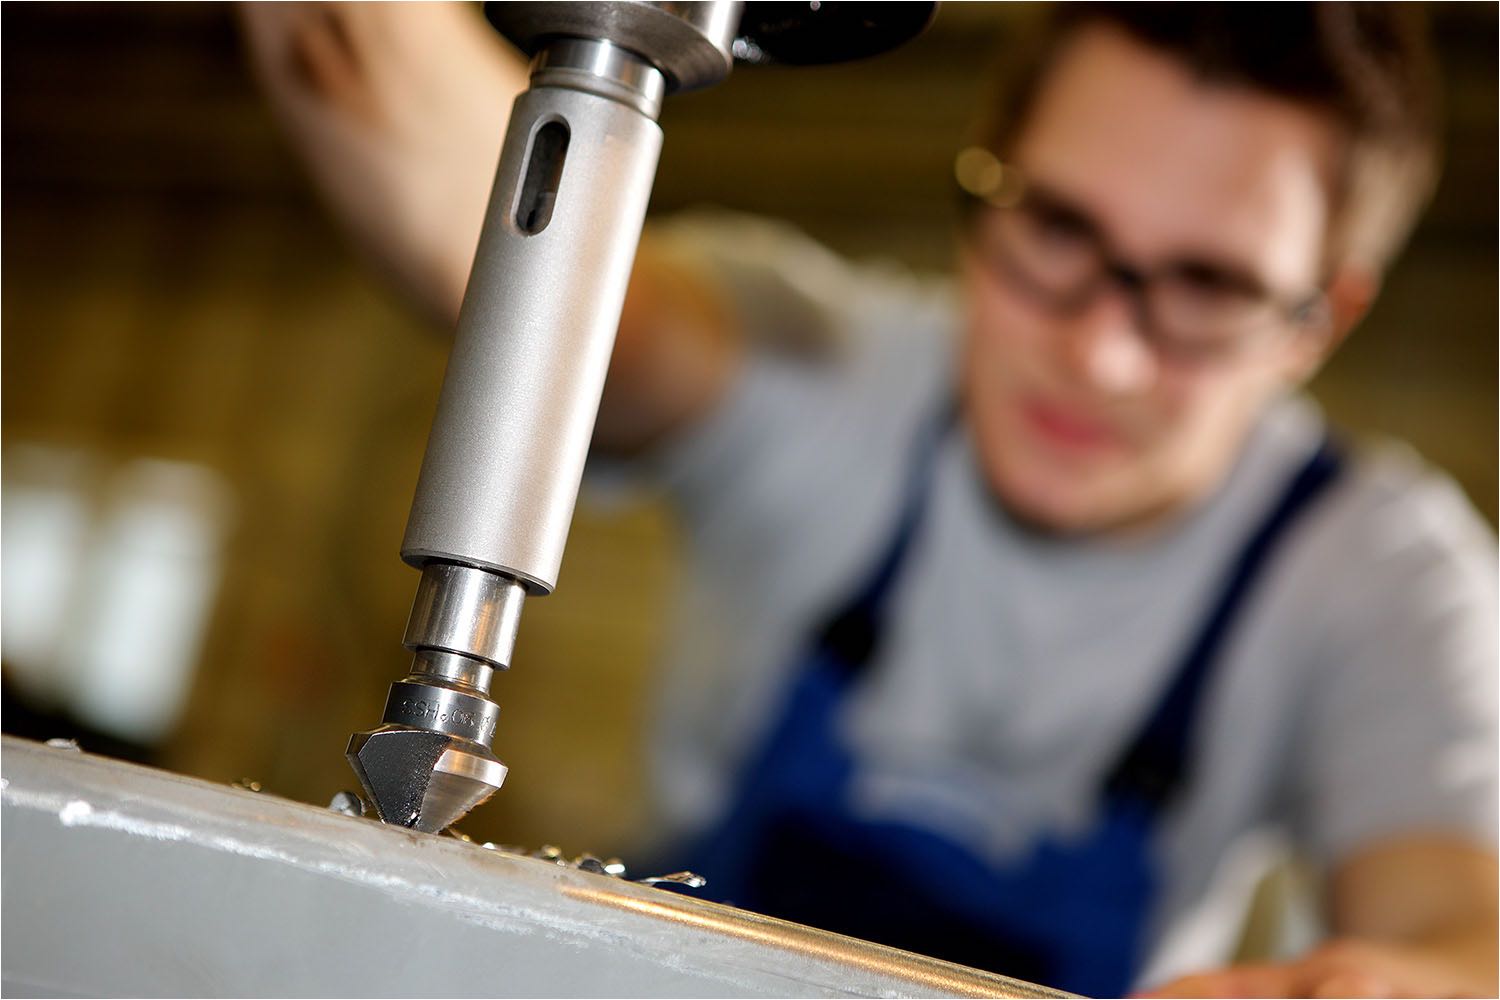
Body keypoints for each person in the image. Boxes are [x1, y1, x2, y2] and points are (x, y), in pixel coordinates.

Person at [242, 4, 1497, 996]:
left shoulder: (1377, 573)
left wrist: (1386, 983)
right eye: (1057, 227)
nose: (1101, 352)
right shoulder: (822, 373)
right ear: (986, 181)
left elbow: (1458, 921)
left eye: (1207, 287)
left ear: (1320, 320)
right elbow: (534, 281)